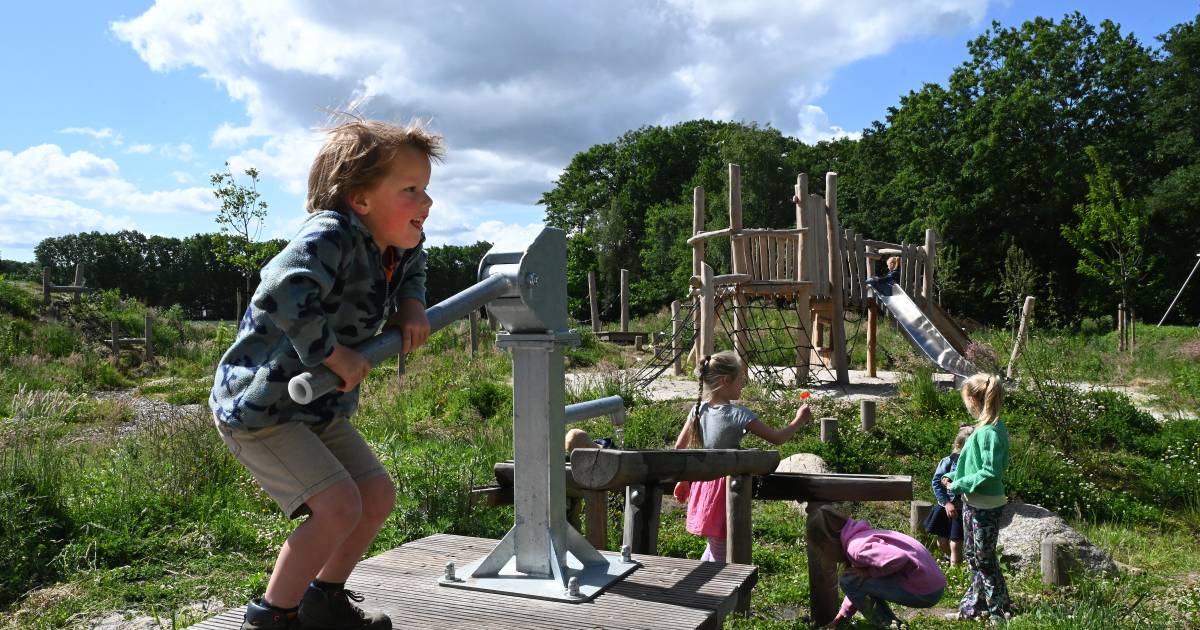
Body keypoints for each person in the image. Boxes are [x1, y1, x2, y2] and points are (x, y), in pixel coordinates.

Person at [210, 117, 443, 630]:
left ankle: (325, 600)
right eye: (411, 190)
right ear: (361, 200)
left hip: (316, 407)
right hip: (263, 404)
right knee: (337, 505)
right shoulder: (330, 235)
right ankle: (272, 617)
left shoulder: (399, 244)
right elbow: (280, 289)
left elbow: (416, 270)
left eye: (426, 190)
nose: (426, 203)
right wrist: (333, 354)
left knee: (375, 495)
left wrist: (411, 302)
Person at [671, 351, 812, 562]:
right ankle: (721, 591)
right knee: (724, 553)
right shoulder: (738, 414)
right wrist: (799, 420)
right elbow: (777, 438)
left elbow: (679, 447)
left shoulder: (698, 409)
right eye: (741, 380)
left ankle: (704, 584)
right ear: (726, 380)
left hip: (703, 483)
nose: (742, 385)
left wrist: (683, 479)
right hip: (725, 489)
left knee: (716, 545)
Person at [941, 373, 1012, 622]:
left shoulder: (989, 431)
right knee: (974, 557)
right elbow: (973, 464)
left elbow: (991, 471)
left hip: (985, 505)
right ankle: (973, 608)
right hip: (973, 502)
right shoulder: (985, 428)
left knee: (984, 560)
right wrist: (954, 475)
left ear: (972, 399)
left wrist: (959, 484)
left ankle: (998, 612)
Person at [809, 505, 946, 628]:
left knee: (848, 579)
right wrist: (842, 615)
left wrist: (869, 573)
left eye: (821, 552)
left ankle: (890, 626)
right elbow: (858, 586)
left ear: (827, 544)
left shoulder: (856, 547)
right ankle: (890, 624)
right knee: (852, 579)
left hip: (924, 590)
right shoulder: (859, 537)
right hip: (931, 584)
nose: (823, 557)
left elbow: (899, 558)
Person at [923, 425, 975, 564]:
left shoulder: (974, 464)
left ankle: (955, 570)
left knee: (955, 543)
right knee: (942, 543)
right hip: (945, 506)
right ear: (959, 445)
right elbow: (936, 482)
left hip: (962, 507)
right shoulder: (948, 461)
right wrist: (946, 502)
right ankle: (955, 559)